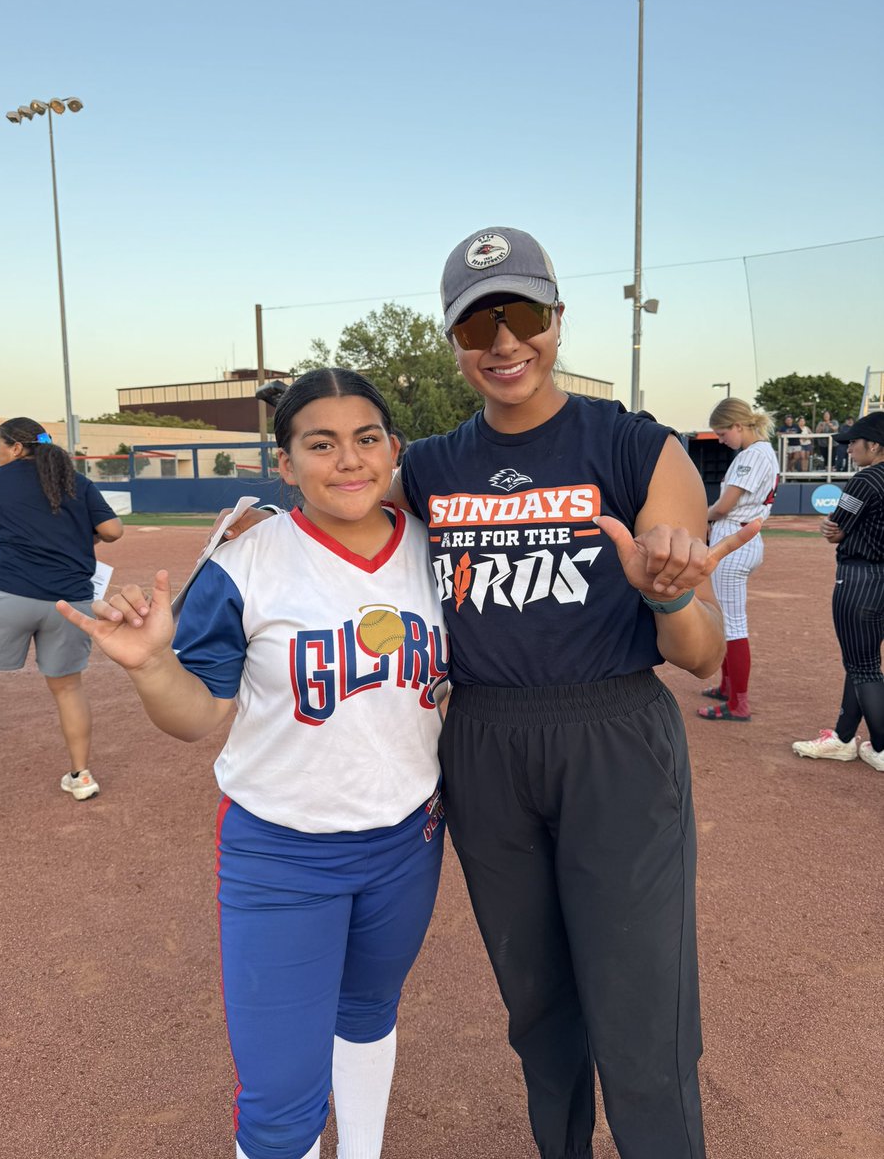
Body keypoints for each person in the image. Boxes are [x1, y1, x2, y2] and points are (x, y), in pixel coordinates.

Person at [222, 226, 759, 1159]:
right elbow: (339, 502)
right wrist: (256, 521)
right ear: (455, 341)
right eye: (479, 325)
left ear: (557, 317)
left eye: (523, 315)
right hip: (482, 743)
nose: (505, 343)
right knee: (536, 1001)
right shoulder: (431, 467)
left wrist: (669, 596)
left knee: (641, 1001)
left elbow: (705, 659)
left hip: (613, 735)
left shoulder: (637, 447)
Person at [58, 369, 448, 1159]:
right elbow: (198, 716)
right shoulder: (246, 563)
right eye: (321, 444)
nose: (348, 460)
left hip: (409, 842)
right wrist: (151, 666)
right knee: (279, 1107)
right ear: (286, 464)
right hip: (282, 855)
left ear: (394, 450)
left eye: (366, 439)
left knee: (369, 1013)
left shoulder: (435, 550)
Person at [0, 417, 123, 795]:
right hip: (70, 601)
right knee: (68, 689)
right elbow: (112, 530)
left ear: (15, 447)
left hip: (9, 592)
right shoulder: (74, 481)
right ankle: (81, 776)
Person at [792, 411, 884, 772]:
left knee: (864, 667)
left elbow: (835, 528)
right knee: (861, 662)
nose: (848, 449)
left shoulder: (866, 479)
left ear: (874, 445)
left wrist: (835, 529)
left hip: (861, 579)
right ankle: (844, 739)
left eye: (853, 443)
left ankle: (881, 747)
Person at [697, 397, 779, 722]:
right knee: (726, 619)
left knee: (732, 623)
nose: (721, 440)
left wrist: (698, 515)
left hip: (735, 538)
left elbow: (724, 506)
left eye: (722, 433)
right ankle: (728, 688)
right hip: (741, 536)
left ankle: (738, 703)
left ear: (738, 425)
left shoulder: (753, 454)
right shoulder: (761, 452)